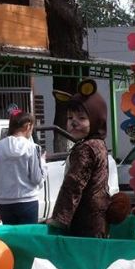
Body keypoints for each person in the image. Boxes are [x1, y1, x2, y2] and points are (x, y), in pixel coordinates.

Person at [46, 79, 111, 238]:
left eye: (81, 118)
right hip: (98, 218)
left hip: (84, 221)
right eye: (70, 118)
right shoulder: (98, 144)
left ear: (96, 120)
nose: (73, 123)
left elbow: (74, 183)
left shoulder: (86, 149)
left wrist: (60, 218)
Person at [0, 110, 45, 225]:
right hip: (28, 201)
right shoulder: (32, 148)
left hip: (5, 203)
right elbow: (37, 179)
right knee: (27, 235)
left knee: (10, 236)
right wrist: (43, 162)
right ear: (28, 126)